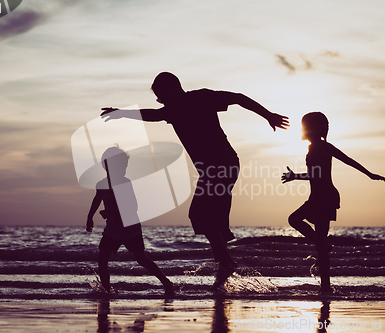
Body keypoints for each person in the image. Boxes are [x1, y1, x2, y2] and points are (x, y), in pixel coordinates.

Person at [101, 72, 289, 290]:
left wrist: (268, 115)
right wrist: (123, 113)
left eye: (160, 95)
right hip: (216, 169)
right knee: (208, 218)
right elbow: (152, 114)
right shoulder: (173, 109)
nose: (160, 100)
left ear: (171, 89)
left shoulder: (201, 98)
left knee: (201, 216)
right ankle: (224, 252)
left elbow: (237, 97)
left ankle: (225, 262)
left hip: (221, 166)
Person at [281, 111, 385, 293]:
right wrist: (369, 174)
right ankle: (325, 285)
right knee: (310, 235)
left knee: (296, 221)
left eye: (304, 126)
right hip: (320, 196)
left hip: (323, 198)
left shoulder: (318, 148)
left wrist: (295, 176)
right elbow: (348, 161)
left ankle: (325, 285)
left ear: (313, 129)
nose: (301, 129)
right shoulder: (321, 147)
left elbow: (323, 171)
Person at [86, 146, 175, 296]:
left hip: (130, 227)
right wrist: (90, 216)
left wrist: (111, 211)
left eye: (125, 166)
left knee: (141, 258)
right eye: (120, 166)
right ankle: (106, 291)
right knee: (102, 259)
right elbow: (97, 199)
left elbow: (132, 207)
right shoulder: (101, 184)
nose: (124, 169)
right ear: (106, 166)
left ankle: (167, 283)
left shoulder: (124, 183)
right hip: (113, 229)